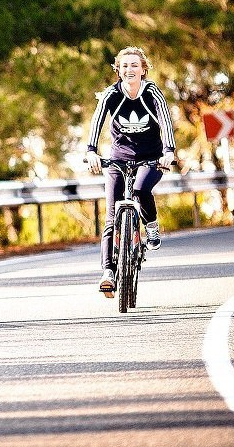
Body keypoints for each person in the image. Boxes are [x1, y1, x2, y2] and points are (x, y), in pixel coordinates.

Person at [84, 46, 176, 296]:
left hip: (152, 158)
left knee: (140, 189)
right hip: (118, 160)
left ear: (143, 69)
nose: (129, 70)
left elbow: (166, 122)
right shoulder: (111, 95)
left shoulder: (152, 92)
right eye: (124, 66)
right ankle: (108, 272)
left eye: (134, 65)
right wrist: (91, 151)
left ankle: (152, 225)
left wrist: (169, 152)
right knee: (112, 216)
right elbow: (96, 121)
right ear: (118, 70)